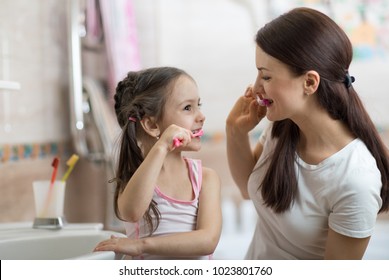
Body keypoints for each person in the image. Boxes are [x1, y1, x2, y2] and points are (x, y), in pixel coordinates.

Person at [226, 7, 389, 260]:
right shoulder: (282, 128)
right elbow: (249, 189)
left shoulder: (355, 180)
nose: (256, 87)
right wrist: (235, 130)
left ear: (310, 82)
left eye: (266, 76)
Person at [94, 66, 222, 259]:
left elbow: (207, 241)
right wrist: (162, 147)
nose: (201, 116)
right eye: (188, 108)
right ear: (153, 125)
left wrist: (141, 246)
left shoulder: (206, 178)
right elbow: (131, 212)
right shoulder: (137, 177)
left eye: (199, 105)